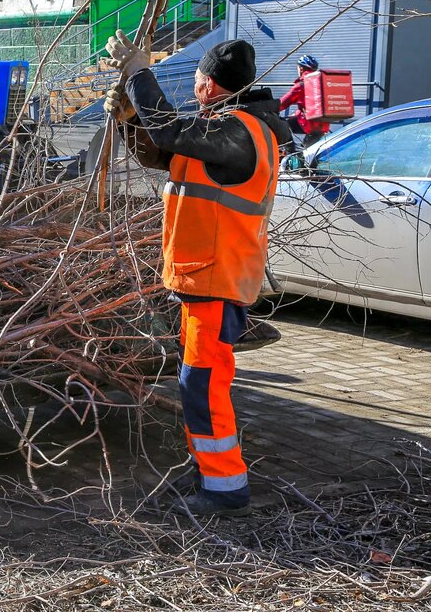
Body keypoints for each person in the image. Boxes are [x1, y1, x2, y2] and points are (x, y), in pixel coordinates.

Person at [102, 31, 292, 518]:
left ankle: (224, 487)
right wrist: (126, 117)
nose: (192, 86)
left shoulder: (239, 130)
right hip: (203, 279)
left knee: (202, 386)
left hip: (216, 279)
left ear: (209, 84)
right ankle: (212, 473)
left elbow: (169, 132)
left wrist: (140, 73)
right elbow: (160, 152)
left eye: (195, 79)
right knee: (200, 383)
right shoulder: (222, 132)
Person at [279, 55, 331, 150]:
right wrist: (297, 113)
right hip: (324, 124)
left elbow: (283, 103)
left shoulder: (302, 84)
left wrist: (272, 107)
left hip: (309, 123)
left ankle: (290, 151)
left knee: (282, 125)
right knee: (308, 150)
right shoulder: (322, 82)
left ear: (301, 68)